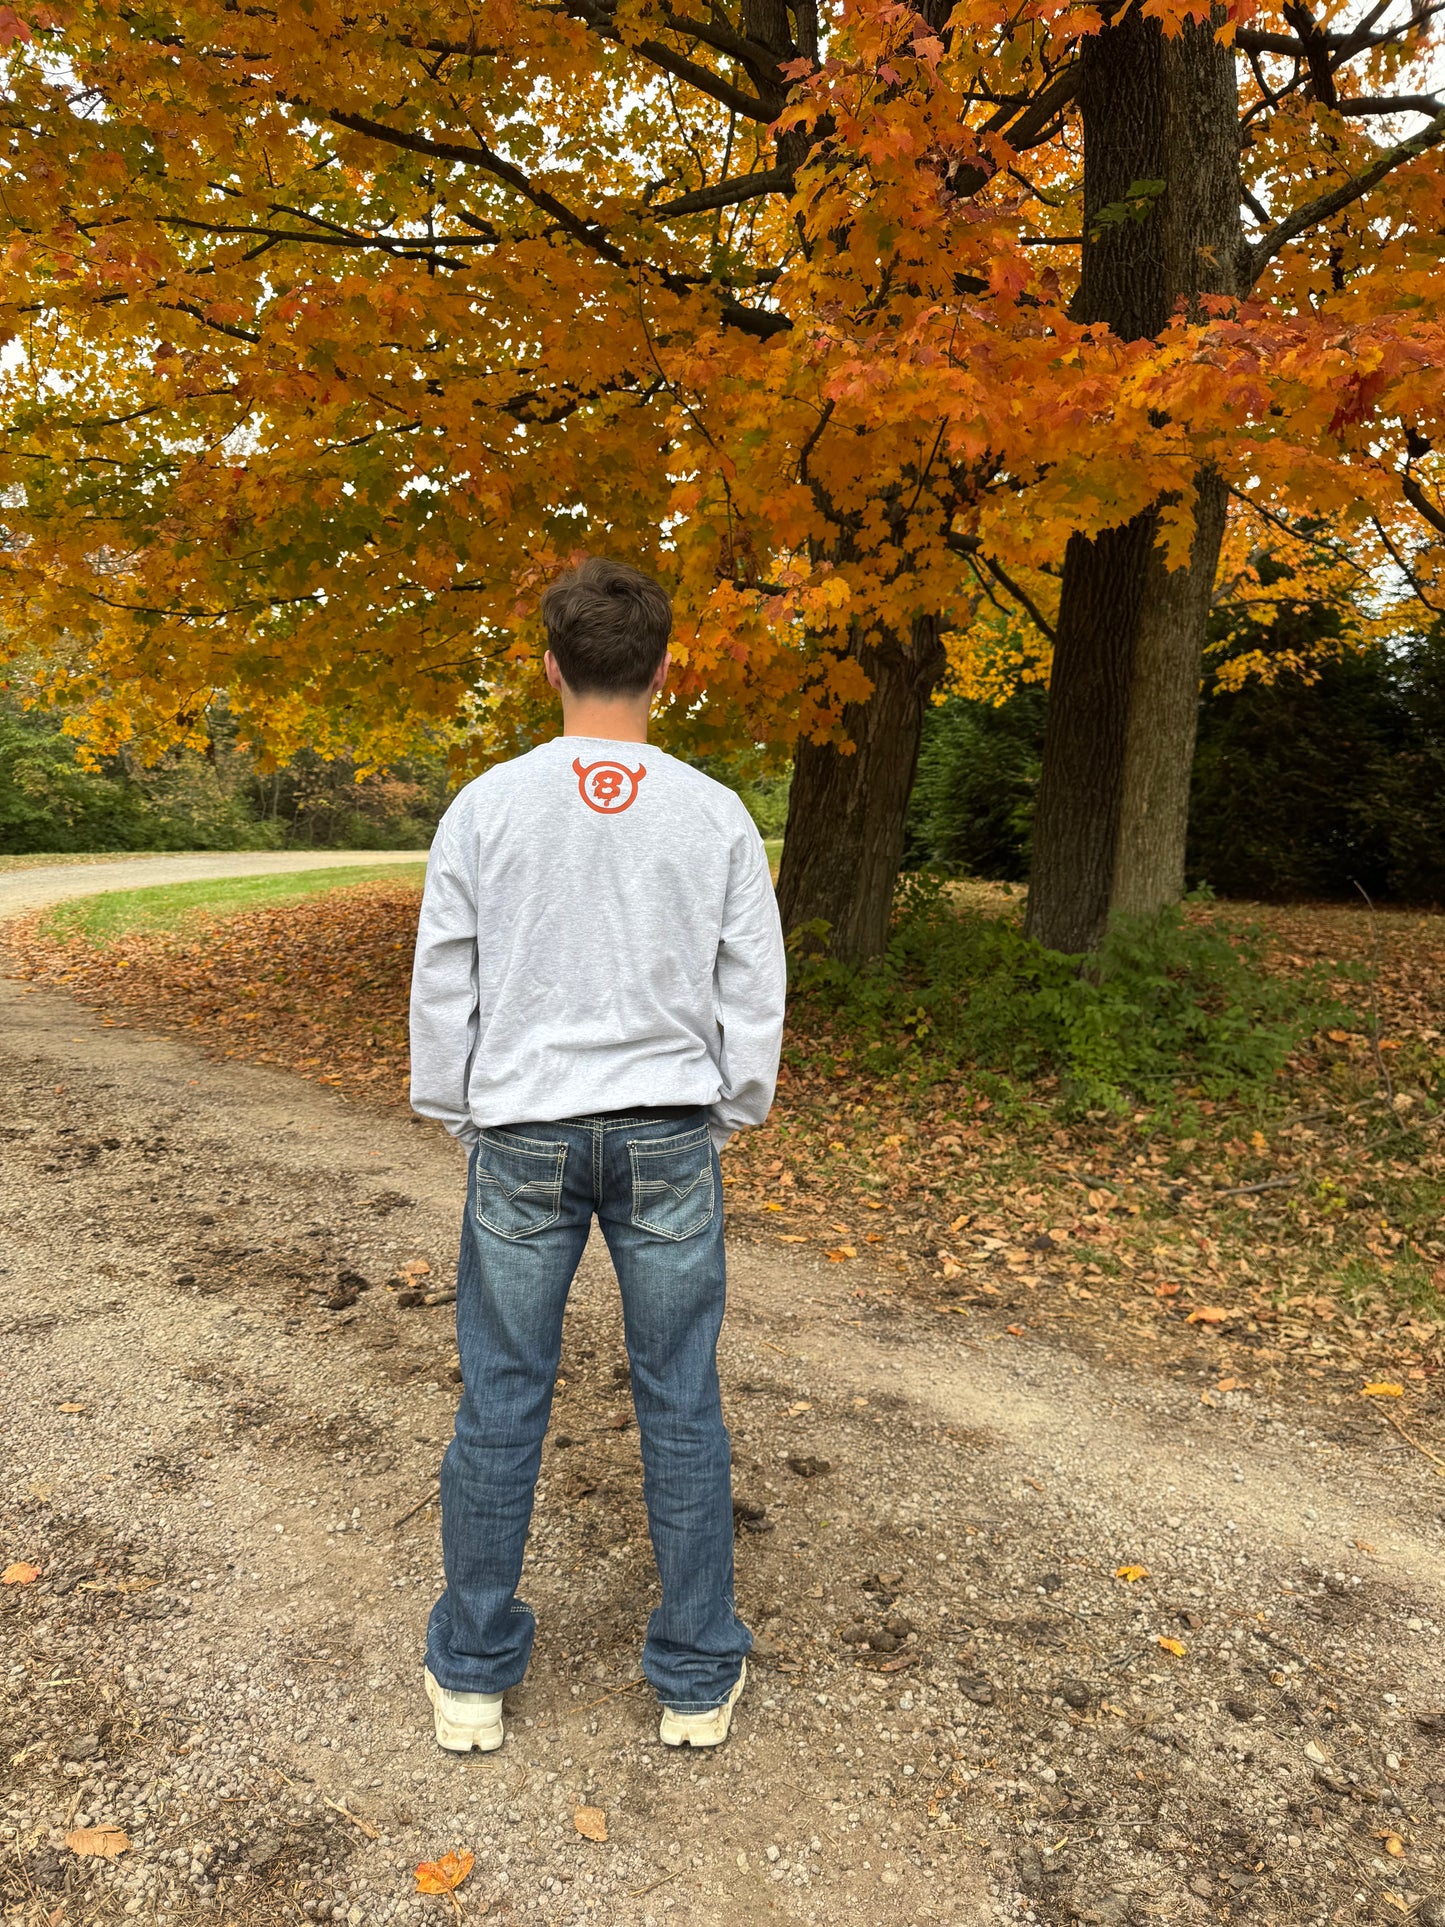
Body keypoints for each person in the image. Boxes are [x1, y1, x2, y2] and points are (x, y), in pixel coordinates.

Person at [408, 556, 787, 1754]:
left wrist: (455, 1106)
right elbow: (752, 982)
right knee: (680, 1397)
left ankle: (470, 1671)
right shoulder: (710, 809)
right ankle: (691, 1673)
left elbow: (444, 978)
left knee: (502, 1393)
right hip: (669, 1129)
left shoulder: (488, 804)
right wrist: (734, 1105)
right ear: (663, 670)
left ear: (550, 664)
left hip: (521, 1128)